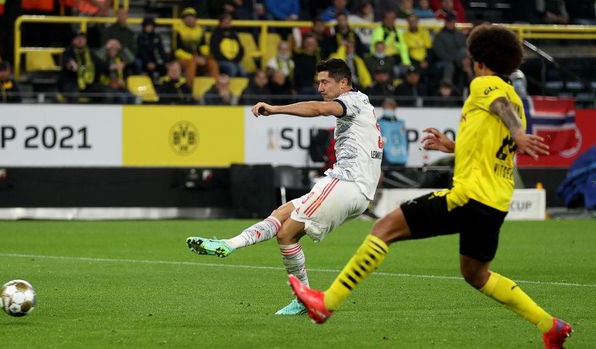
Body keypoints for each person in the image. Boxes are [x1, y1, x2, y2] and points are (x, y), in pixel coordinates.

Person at [289, 24, 573, 349]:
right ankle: (550, 325)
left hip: (467, 197)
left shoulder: (486, 85)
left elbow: (501, 110)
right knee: (476, 274)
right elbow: (490, 141)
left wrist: (519, 132)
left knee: (384, 228)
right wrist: (453, 147)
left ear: (478, 60)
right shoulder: (515, 97)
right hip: (495, 203)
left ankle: (326, 304)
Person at [187, 58, 383, 315]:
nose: (320, 87)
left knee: (286, 234)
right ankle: (229, 244)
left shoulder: (353, 101)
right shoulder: (360, 104)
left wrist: (276, 109)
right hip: (350, 185)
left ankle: (304, 299)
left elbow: (318, 109)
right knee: (281, 214)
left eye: (325, 82)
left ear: (344, 83)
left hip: (347, 183)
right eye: (318, 82)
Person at [174, 7, 219, 88]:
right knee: (192, 63)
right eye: (186, 17)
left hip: (198, 58)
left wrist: (205, 57)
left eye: (192, 17)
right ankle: (190, 88)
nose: (189, 19)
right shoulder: (178, 31)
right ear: (183, 19)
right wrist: (193, 58)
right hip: (183, 58)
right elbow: (177, 51)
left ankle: (216, 87)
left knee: (212, 62)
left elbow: (203, 46)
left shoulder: (200, 31)